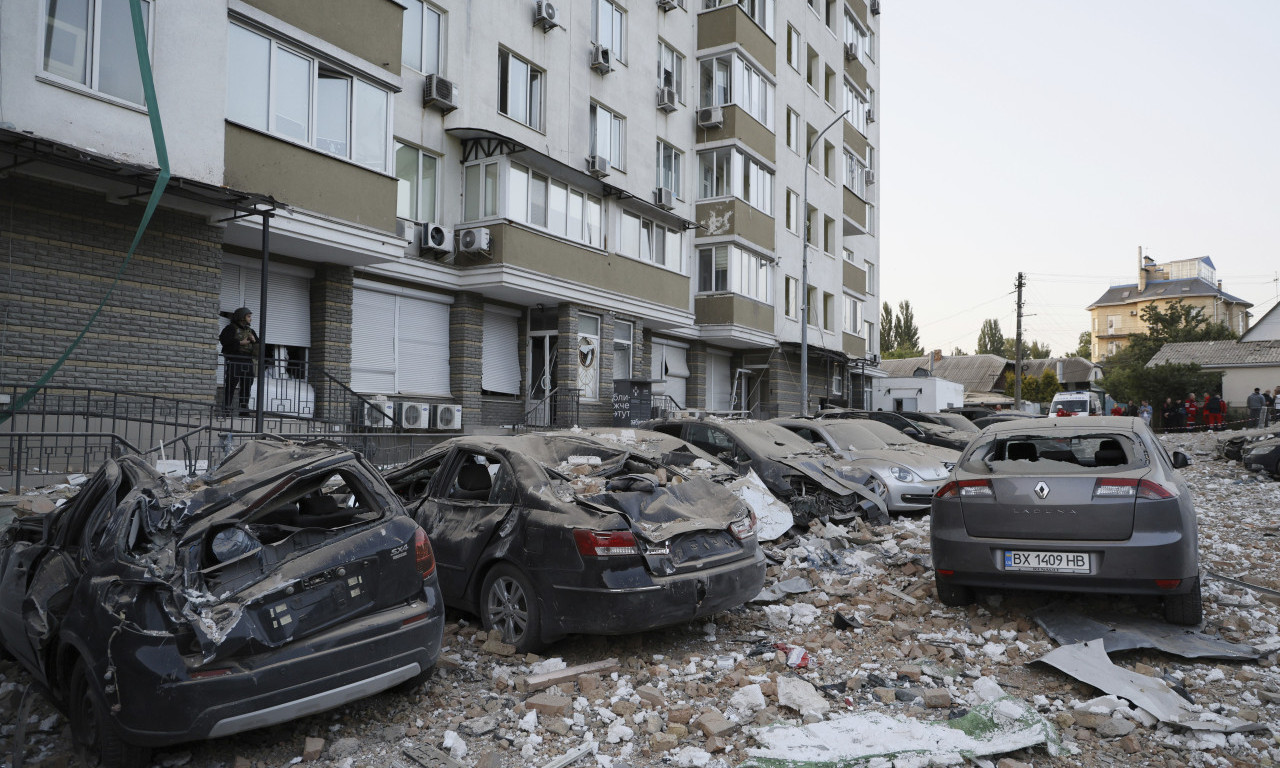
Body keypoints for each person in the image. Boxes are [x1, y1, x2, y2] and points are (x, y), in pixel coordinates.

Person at [220, 307, 259, 416]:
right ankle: (226, 410)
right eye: (248, 316)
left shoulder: (251, 332)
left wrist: (254, 341)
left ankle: (243, 411)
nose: (250, 319)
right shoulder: (230, 329)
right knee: (230, 386)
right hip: (235, 360)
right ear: (242, 317)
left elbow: (259, 350)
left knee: (247, 387)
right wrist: (240, 343)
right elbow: (224, 341)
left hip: (247, 361)